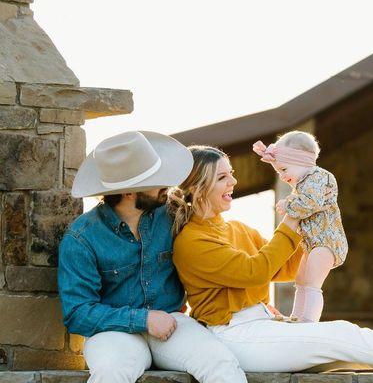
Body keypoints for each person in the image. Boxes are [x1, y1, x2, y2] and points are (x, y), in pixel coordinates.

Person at [168, 145, 373, 382]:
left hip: (263, 327)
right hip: (235, 337)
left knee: (348, 348)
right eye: (224, 178)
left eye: (232, 175)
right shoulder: (192, 242)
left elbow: (283, 269)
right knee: (341, 335)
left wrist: (318, 237)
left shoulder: (236, 229)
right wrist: (291, 223)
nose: (234, 183)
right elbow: (254, 271)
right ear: (199, 187)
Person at [57, 131, 247, 383]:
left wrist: (257, 302)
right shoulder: (82, 238)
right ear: (129, 193)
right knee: (111, 373)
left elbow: (217, 251)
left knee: (221, 364)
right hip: (112, 331)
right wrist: (143, 319)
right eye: (156, 180)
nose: (166, 185)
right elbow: (78, 312)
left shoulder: (175, 214)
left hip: (173, 323)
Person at [252, 131, 347, 323]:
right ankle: (297, 317)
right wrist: (290, 200)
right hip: (312, 242)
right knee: (301, 280)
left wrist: (288, 204)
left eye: (284, 169)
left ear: (301, 160)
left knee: (312, 282)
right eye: (279, 172)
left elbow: (311, 203)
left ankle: (309, 320)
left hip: (327, 240)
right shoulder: (302, 184)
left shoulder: (320, 177)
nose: (282, 176)